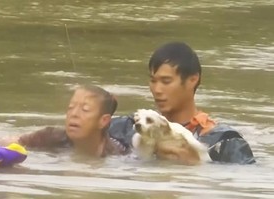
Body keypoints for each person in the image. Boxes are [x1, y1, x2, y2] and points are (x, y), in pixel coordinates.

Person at [108, 42, 255, 164]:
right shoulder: (128, 128)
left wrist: (194, 163)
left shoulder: (223, 141)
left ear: (192, 80)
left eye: (166, 81)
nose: (157, 89)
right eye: (153, 81)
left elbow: (248, 181)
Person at [0, 85, 129, 158]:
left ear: (103, 121)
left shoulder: (117, 154)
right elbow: (12, 142)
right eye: (70, 108)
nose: (74, 114)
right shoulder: (51, 137)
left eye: (85, 110)